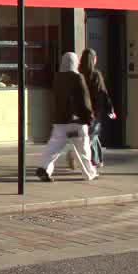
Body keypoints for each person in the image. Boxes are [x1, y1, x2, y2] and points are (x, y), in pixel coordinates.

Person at [36, 52, 98, 182]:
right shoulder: (78, 77)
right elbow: (84, 99)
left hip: (60, 120)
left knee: (54, 147)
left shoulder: (57, 78)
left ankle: (44, 168)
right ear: (75, 62)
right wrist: (89, 116)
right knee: (83, 149)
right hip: (77, 121)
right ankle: (89, 172)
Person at [79, 48, 116, 169]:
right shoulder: (95, 75)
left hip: (82, 109)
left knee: (93, 134)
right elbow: (102, 92)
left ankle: (97, 159)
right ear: (93, 59)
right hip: (95, 110)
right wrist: (109, 108)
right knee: (92, 135)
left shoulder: (79, 74)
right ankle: (88, 158)